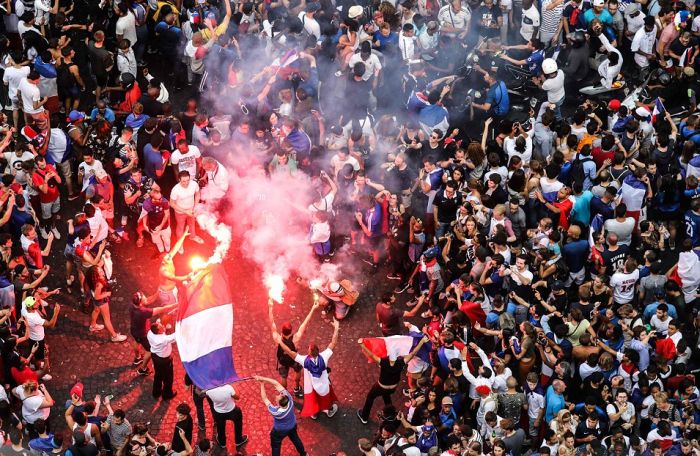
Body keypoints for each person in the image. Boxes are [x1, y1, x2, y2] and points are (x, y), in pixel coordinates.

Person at [274, 319, 340, 419]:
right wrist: (336, 328)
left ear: (309, 352)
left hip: (312, 385)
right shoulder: (324, 356)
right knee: (326, 399)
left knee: (313, 399)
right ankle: (329, 411)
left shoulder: (305, 360)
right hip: (324, 385)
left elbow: (290, 352)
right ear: (318, 351)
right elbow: (333, 342)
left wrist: (280, 343)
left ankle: (314, 413)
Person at [356, 335, 429, 424]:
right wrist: (422, 341)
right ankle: (390, 415)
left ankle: (364, 417)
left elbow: (371, 354)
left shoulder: (384, 362)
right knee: (386, 396)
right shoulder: (401, 363)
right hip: (393, 388)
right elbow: (413, 353)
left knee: (370, 397)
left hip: (381, 387)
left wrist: (362, 345)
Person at [268, 297, 318, 397]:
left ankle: (285, 394)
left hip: (282, 361)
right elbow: (305, 322)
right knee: (298, 371)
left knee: (283, 377)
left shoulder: (277, 338)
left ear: (281, 331)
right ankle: (296, 388)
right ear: (291, 331)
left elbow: (272, 322)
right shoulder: (296, 338)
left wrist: (270, 307)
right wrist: (313, 308)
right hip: (294, 359)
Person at [254, 376, 307, 456]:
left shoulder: (276, 412)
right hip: (292, 425)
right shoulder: (290, 399)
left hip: (279, 431)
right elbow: (275, 383)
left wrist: (262, 383)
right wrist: (263, 378)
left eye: (277, 397)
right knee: (296, 439)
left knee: (275, 447)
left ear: (279, 404)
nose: (276, 396)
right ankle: (304, 454)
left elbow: (265, 399)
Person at [205, 383, 248, 449]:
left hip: (218, 412)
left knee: (220, 427)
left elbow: (207, 396)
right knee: (238, 424)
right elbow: (237, 397)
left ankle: (222, 443)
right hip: (232, 410)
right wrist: (233, 385)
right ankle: (238, 440)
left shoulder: (208, 390)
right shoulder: (228, 387)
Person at [147, 319, 177, 400]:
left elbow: (159, 322)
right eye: (161, 328)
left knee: (158, 375)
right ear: (158, 332)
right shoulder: (162, 340)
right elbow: (176, 336)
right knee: (168, 377)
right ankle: (167, 394)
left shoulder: (150, 332)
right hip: (164, 360)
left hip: (155, 356)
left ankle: (156, 392)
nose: (163, 327)